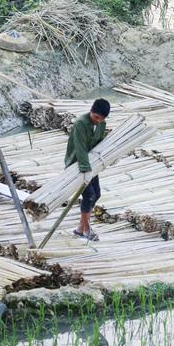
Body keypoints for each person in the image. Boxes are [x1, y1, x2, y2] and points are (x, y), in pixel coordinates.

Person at [65, 98, 110, 241]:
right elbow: (80, 148)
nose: (98, 121)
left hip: (92, 164)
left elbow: (100, 144)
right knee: (88, 195)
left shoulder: (101, 124)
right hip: (77, 165)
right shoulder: (80, 124)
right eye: (96, 117)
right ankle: (87, 229)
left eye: (101, 119)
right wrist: (85, 170)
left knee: (96, 194)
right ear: (91, 110)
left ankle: (80, 228)